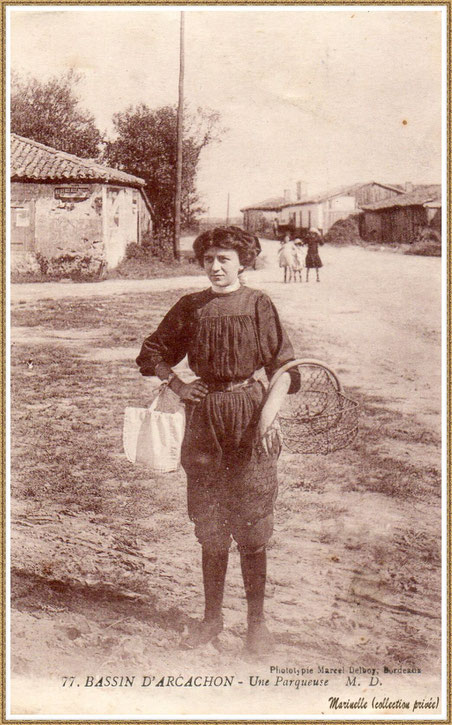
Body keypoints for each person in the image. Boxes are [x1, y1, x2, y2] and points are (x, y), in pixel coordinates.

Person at [136, 226, 300, 655]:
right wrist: (177, 384)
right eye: (209, 259)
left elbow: (286, 370)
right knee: (211, 526)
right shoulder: (191, 307)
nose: (215, 267)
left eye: (225, 258)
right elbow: (151, 351)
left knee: (251, 525)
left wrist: (266, 420)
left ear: (243, 262)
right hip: (205, 422)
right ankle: (211, 619)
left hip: (250, 419)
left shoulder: (259, 304)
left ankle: (257, 626)